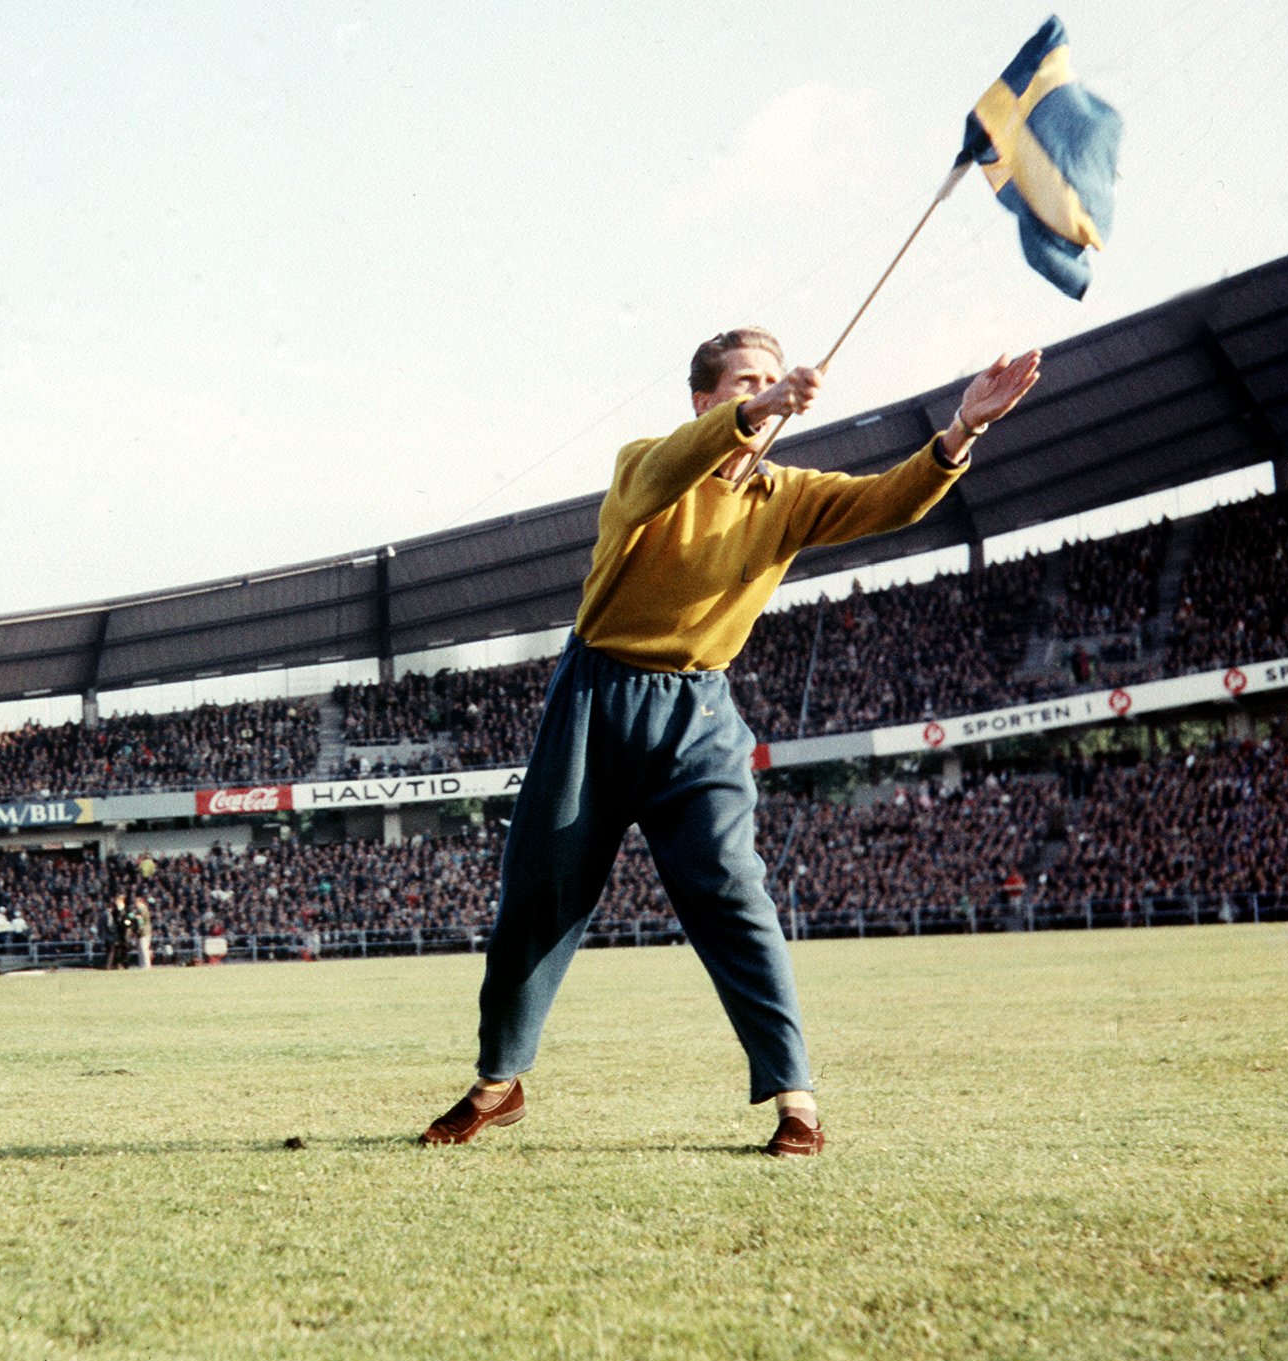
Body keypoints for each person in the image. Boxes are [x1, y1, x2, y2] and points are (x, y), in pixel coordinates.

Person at [420, 327, 1041, 1156]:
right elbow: (665, 472)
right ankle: (499, 1082)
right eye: (746, 381)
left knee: (733, 894)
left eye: (777, 378)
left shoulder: (790, 492)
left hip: (701, 716)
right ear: (705, 401)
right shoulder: (647, 463)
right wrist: (759, 409)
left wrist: (965, 427)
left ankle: (795, 1099)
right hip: (595, 699)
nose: (772, 389)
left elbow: (891, 499)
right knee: (539, 893)